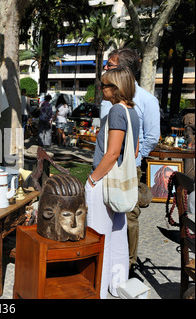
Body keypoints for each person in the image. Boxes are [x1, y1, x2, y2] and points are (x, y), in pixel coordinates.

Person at [100, 48, 160, 272]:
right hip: (104, 163)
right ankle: (106, 258)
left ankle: (129, 263)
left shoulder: (146, 100)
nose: (105, 67)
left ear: (124, 69)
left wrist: (134, 158)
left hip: (127, 168)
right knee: (105, 211)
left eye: (110, 64)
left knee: (128, 215)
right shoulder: (108, 93)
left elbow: (152, 136)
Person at [85, 67, 140, 299]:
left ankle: (98, 291)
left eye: (105, 85)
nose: (101, 88)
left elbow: (113, 152)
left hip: (104, 182)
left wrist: (92, 179)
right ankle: (117, 286)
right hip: (120, 185)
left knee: (100, 238)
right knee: (118, 237)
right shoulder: (133, 111)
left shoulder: (117, 111)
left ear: (116, 89)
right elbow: (134, 151)